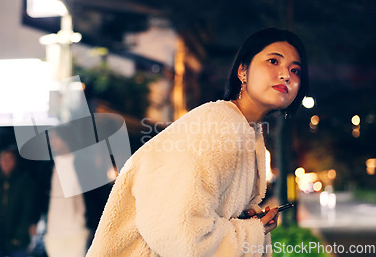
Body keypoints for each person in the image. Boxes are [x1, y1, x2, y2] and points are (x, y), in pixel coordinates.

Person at [86, 27, 309, 257]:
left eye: (296, 70)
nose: (286, 75)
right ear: (243, 71)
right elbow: (179, 233)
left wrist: (248, 220)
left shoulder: (246, 133)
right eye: (273, 61)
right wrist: (253, 230)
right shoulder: (217, 125)